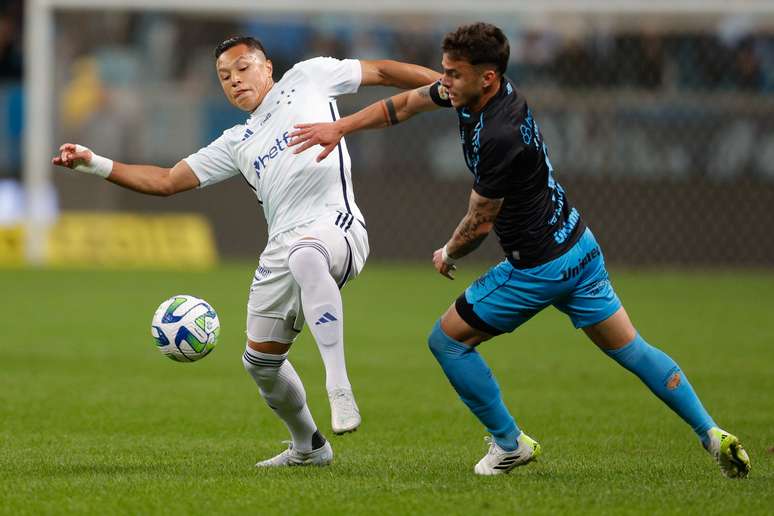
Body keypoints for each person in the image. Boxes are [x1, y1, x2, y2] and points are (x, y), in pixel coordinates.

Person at [288, 23, 752, 478]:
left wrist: (448, 252)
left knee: (447, 341)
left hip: (539, 266)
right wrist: (342, 127)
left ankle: (510, 444)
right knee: (632, 349)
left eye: (453, 73)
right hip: (578, 246)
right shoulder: (477, 92)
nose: (443, 81)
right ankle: (712, 433)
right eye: (444, 70)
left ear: (486, 78)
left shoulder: (499, 135)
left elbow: (479, 222)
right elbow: (406, 103)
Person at [52, 36, 439, 467]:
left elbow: (383, 72)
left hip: (336, 225)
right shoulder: (238, 141)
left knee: (306, 255)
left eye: (242, 68)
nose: (235, 81)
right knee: (261, 364)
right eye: (224, 77)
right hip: (280, 249)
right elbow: (165, 180)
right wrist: (94, 161)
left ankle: (338, 385)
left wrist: (445, 85)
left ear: (267, 67)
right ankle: (308, 446)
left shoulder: (308, 77)